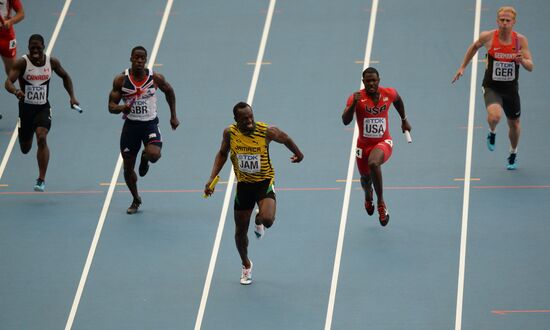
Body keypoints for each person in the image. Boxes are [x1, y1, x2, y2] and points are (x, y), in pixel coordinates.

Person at [204, 102, 303, 285]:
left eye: (251, 117)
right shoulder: (230, 133)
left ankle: (259, 219)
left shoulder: (266, 132)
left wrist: (299, 154)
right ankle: (246, 265)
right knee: (240, 232)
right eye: (244, 119)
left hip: (264, 183)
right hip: (244, 186)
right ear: (236, 120)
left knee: (268, 220)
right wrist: (212, 178)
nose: (249, 121)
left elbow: (285, 138)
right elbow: (222, 154)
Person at [452, 6, 533, 170]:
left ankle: (513, 153)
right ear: (497, 21)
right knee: (495, 116)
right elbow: (474, 47)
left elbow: (530, 66)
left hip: (511, 90)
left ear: (513, 22)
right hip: (492, 86)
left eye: (507, 21)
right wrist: (462, 67)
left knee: (515, 124)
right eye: (501, 20)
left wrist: (522, 61)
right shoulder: (488, 37)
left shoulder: (520, 41)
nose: (504, 23)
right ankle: (492, 131)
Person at [108, 46, 179, 214]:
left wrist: (173, 116)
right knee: (127, 169)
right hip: (131, 127)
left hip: (149, 124)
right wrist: (121, 108)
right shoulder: (121, 80)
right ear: (131, 59)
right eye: (136, 58)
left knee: (154, 155)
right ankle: (135, 198)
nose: (139, 61)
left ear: (146, 60)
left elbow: (169, 92)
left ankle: (145, 158)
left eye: (142, 58)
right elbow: (111, 106)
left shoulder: (155, 78)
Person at [4, 34, 79, 191]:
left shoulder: (51, 62)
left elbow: (65, 76)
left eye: (38, 47)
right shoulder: (22, 63)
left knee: (42, 137)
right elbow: (8, 82)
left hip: (43, 107)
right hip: (25, 110)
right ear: (29, 48)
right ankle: (27, 132)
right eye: (33, 47)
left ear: (44, 47)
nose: (35, 50)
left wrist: (72, 97)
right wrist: (16, 91)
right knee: (25, 148)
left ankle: (41, 179)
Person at [342, 67, 410, 226]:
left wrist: (404, 119)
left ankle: (381, 203)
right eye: (368, 81)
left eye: (374, 80)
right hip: (363, 146)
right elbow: (345, 121)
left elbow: (398, 100)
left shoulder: (389, 93)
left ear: (379, 80)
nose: (371, 83)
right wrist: (354, 105)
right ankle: (368, 195)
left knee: (374, 163)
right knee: (365, 179)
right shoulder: (356, 97)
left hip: (383, 142)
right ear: (363, 82)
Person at [0, 0, 24, 120]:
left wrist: (11, 21)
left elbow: (21, 13)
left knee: (12, 73)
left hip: (6, 36)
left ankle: (26, 100)